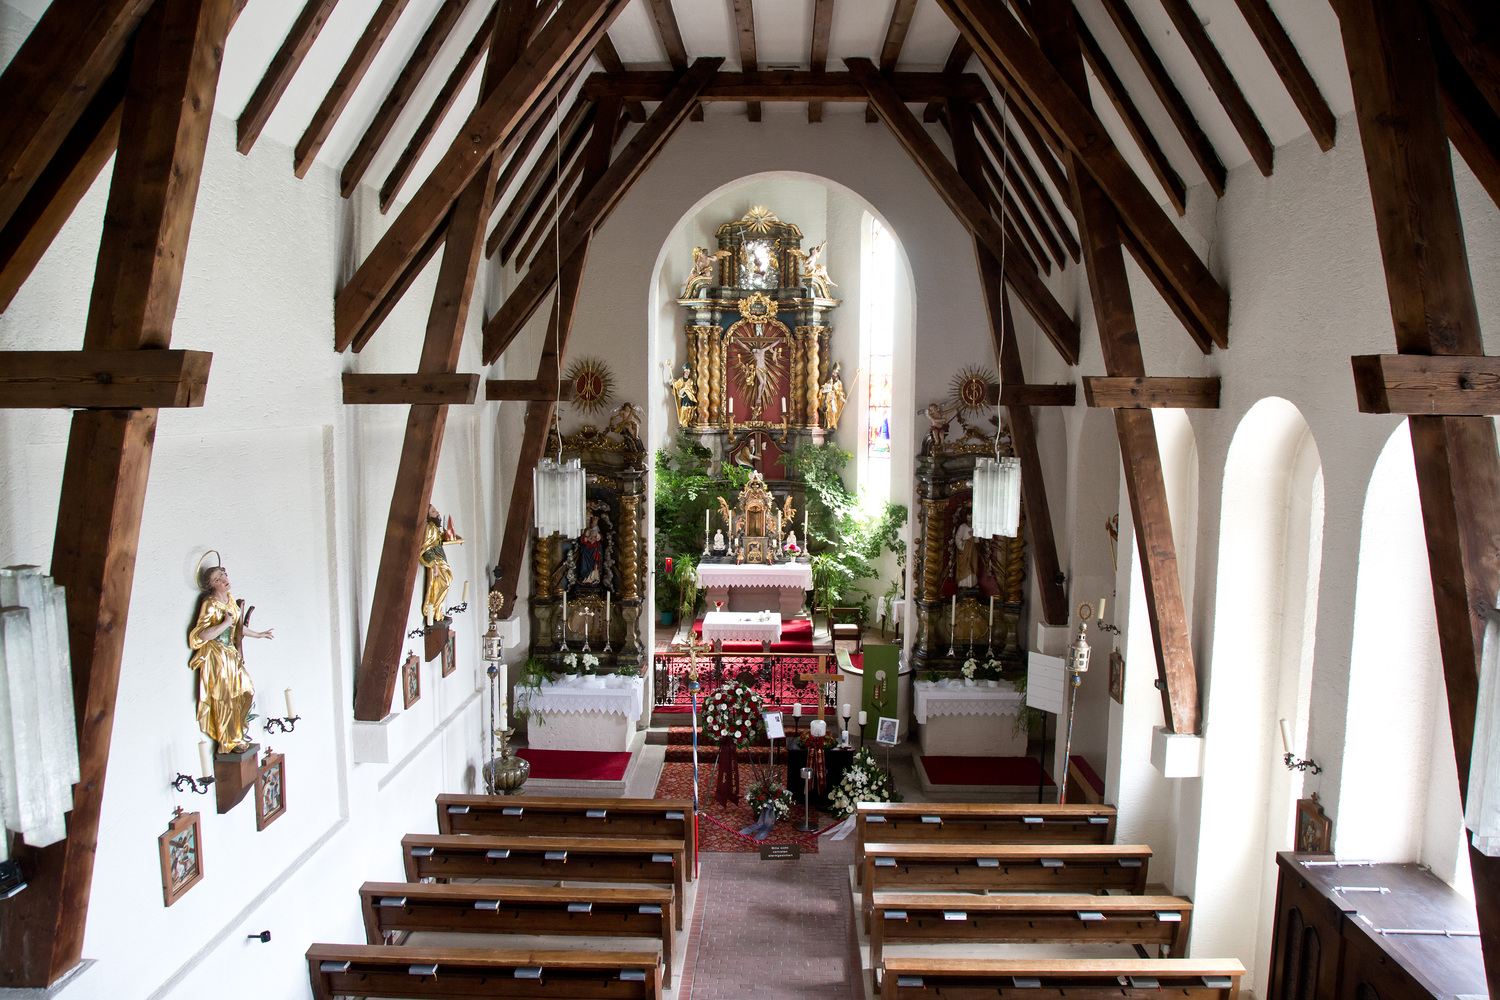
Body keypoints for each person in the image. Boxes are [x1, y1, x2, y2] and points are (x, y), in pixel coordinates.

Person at [188, 563, 274, 753]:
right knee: (224, 698)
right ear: (212, 585)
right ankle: (229, 740)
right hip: (217, 656)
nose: (224, 580)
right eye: (217, 579)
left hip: (231, 654)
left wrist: (259, 634)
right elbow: (201, 636)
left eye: (223, 575)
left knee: (246, 691)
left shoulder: (229, 599)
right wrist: (224, 623)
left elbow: (236, 628)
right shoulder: (210, 605)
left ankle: (237, 731)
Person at [420, 504, 462, 623]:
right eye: (433, 511)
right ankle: (432, 613)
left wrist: (456, 538)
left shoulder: (435, 528)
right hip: (436, 562)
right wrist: (433, 564)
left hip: (441, 560)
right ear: (428, 516)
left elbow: (440, 539)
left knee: (442, 586)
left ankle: (439, 613)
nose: (437, 512)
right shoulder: (430, 528)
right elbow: (426, 548)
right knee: (443, 585)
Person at [952, 508, 979, 589]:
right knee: (965, 566)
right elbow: (957, 538)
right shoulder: (962, 527)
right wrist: (962, 544)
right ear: (966, 517)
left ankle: (973, 583)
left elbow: (979, 540)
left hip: (973, 549)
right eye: (968, 516)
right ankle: (964, 584)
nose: (969, 518)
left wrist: (974, 535)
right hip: (964, 550)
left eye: (971, 517)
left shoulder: (976, 527)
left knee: (973, 565)